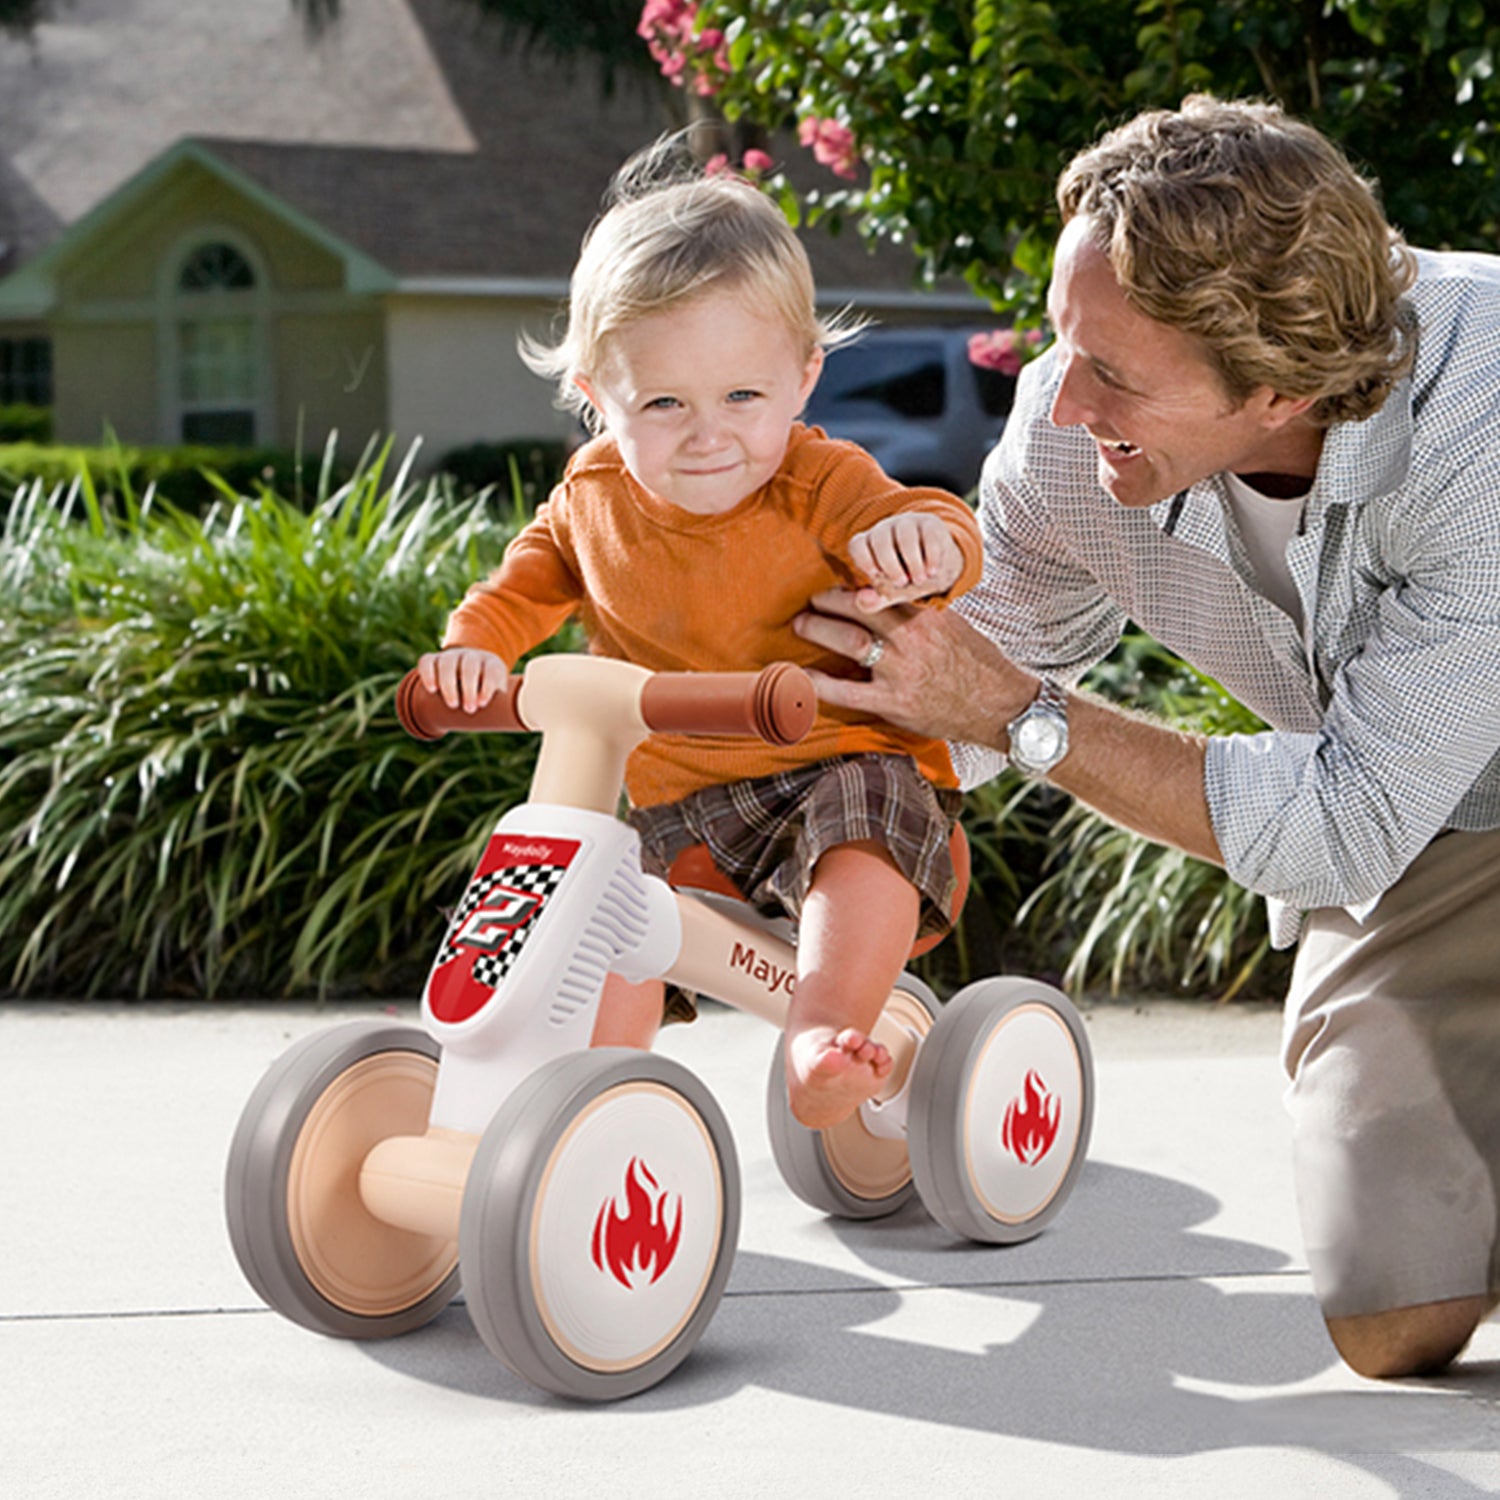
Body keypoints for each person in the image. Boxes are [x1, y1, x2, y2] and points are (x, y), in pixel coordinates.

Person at [794, 94, 1500, 1379]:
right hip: (1439, 832)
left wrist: (1017, 713)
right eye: (1066, 344)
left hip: (1380, 813)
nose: (1061, 403)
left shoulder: (1481, 412)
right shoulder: (1078, 439)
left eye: (1113, 373)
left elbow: (1333, 824)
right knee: (1389, 1318)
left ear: (1280, 383)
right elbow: (944, 673)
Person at [417, 146, 983, 1131]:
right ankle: (581, 1105)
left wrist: (926, 542)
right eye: (664, 403)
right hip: (682, 808)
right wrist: (472, 650)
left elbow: (922, 518)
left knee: (869, 805)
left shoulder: (824, 484)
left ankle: (825, 1033)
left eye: (742, 399)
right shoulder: (591, 499)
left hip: (830, 768)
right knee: (592, 894)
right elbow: (520, 588)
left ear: (803, 378)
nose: (708, 435)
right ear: (599, 396)